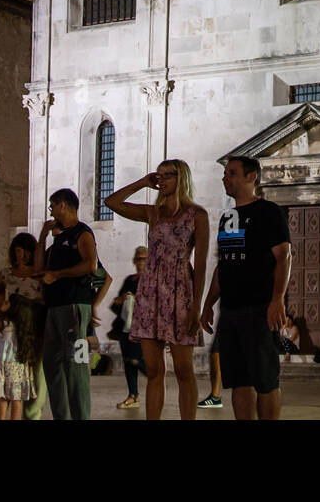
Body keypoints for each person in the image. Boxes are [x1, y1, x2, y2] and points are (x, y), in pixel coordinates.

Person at [105, 159, 209, 421]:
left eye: (167, 175)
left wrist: (197, 306)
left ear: (181, 177)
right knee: (153, 370)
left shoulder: (197, 214)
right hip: (150, 293)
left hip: (181, 292)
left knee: (184, 369)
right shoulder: (153, 213)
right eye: (158, 175)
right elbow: (112, 203)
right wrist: (143, 182)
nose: (161, 180)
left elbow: (202, 262)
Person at [200, 155, 291, 421]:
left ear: (251, 177)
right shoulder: (229, 217)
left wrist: (277, 300)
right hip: (231, 311)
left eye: (232, 173)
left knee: (265, 381)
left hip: (260, 308)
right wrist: (208, 305)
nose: (225, 178)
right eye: (226, 173)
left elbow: (283, 256)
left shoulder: (268, 212)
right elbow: (224, 264)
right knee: (238, 381)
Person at [34, 189, 98, 421]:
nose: (50, 211)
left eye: (52, 205)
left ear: (63, 205)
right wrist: (42, 237)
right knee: (51, 364)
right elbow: (40, 268)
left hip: (74, 306)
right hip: (54, 307)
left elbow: (91, 265)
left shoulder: (82, 233)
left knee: (76, 366)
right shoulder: (59, 238)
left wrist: (59, 275)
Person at [0, 232, 45, 420]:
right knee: (4, 384)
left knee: (30, 382)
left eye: (27, 251)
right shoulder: (6, 274)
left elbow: (45, 304)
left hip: (31, 332)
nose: (23, 255)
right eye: (19, 251)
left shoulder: (40, 276)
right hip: (9, 330)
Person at [109, 246, 148, 409]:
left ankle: (154, 377)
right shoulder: (129, 280)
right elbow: (116, 303)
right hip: (126, 327)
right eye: (139, 258)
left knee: (135, 359)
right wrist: (122, 299)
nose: (141, 262)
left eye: (144, 259)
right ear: (134, 261)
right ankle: (133, 395)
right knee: (127, 361)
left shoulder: (150, 280)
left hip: (141, 328)